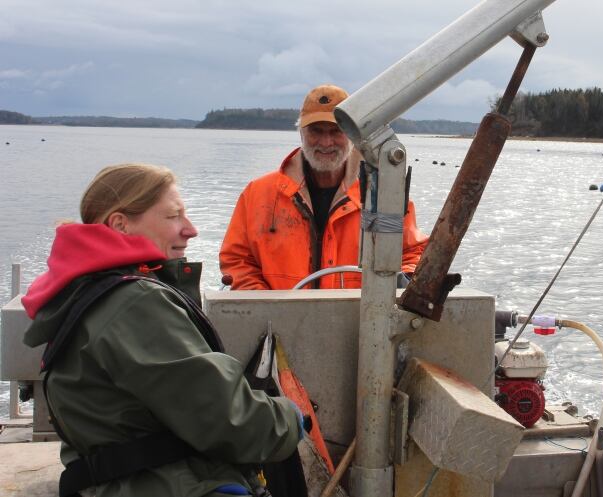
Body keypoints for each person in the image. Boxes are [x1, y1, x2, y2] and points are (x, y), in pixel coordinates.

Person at [22, 164, 302, 497]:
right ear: (121, 224)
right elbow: (223, 418)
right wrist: (288, 419)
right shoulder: (134, 303)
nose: (191, 229)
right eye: (173, 217)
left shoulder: (81, 291)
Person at [220, 84, 428, 290]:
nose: (326, 142)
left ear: (352, 135)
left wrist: (402, 283)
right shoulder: (258, 194)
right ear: (301, 133)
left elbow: (414, 252)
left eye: (336, 131)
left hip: (359, 320)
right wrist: (268, 305)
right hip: (277, 321)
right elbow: (237, 260)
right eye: (316, 131)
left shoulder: (381, 195)